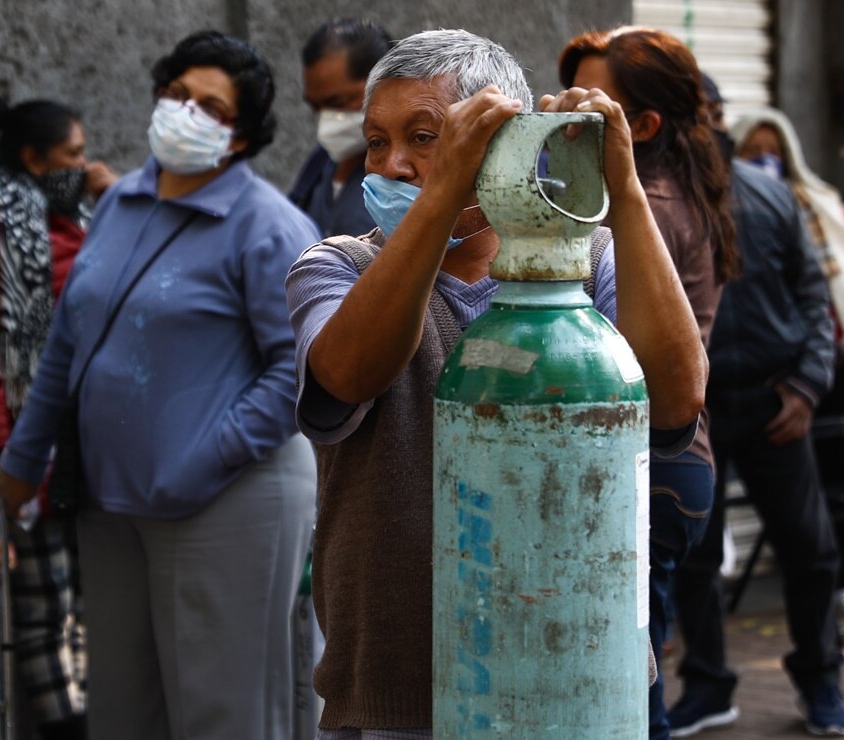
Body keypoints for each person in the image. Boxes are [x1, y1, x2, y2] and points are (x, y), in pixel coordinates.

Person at [285, 28, 707, 736]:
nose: (392, 165)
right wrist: (444, 189)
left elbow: (673, 400)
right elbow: (350, 372)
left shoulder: (591, 258)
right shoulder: (334, 268)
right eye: (377, 142)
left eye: (425, 138)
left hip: (574, 669)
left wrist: (624, 190)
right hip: (401, 685)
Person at [0, 31, 321, 740]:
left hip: (227, 499)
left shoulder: (267, 226)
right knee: (122, 711)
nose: (185, 113)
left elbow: (301, 370)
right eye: (176, 94)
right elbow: (69, 341)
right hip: (111, 499)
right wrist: (21, 463)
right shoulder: (119, 203)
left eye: (211, 107)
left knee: (224, 715)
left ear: (239, 137)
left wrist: (203, 458)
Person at [558, 28, 740, 740]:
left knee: (628, 696)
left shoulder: (640, 212)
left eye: (589, 107)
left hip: (648, 464)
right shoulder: (681, 191)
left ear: (642, 126)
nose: (563, 116)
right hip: (674, 464)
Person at [667, 83, 844, 737]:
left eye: (712, 115)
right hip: (696, 407)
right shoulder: (654, 201)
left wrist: (807, 386)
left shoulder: (771, 195)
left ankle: (821, 680)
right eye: (693, 116)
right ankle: (707, 686)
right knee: (693, 553)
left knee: (809, 549)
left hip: (776, 402)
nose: (705, 128)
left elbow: (814, 296)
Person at [0, 95, 117, 740]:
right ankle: (66, 729)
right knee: (42, 608)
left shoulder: (75, 220)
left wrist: (119, 204)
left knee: (87, 606)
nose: (85, 166)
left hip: (81, 453)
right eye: (73, 155)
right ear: (34, 160)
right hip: (22, 454)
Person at [733, 108, 844, 371]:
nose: (765, 158)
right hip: (782, 354)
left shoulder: (820, 204)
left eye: (774, 151)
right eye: (753, 149)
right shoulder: (727, 212)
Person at [288, 18, 392, 237]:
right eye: (316, 107)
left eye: (337, 103)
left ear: (382, 85)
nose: (326, 119)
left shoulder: (403, 172)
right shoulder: (320, 162)